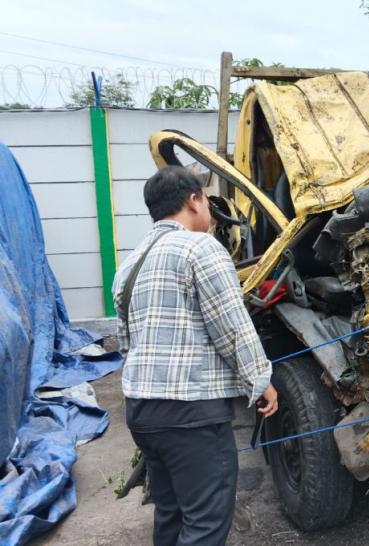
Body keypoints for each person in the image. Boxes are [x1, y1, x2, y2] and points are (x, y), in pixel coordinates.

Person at [113, 166, 278, 546]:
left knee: (171, 514)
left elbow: (126, 341)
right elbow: (231, 326)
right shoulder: (201, 247)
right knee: (205, 523)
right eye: (206, 199)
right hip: (190, 416)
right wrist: (260, 380)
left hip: (142, 412)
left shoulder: (130, 264)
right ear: (193, 200)